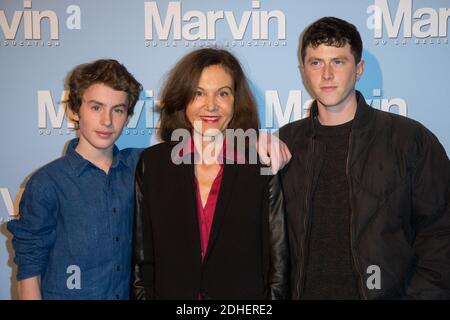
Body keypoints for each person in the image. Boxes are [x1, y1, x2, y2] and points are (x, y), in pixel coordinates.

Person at [278, 17, 450, 299]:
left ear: (359, 69)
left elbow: (440, 233)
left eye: (338, 62)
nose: (327, 74)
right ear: (303, 71)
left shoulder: (409, 140)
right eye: (316, 63)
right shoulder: (285, 142)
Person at [132, 48, 290, 299]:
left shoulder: (260, 164)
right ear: (183, 99)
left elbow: (277, 264)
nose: (211, 105)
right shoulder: (153, 164)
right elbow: (142, 262)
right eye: (198, 93)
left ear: (236, 101)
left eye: (223, 93)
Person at [7, 59, 143, 299]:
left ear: (128, 116)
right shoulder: (46, 183)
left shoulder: (141, 168)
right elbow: (29, 273)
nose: (107, 121)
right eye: (96, 107)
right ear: (74, 111)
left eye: (118, 110)